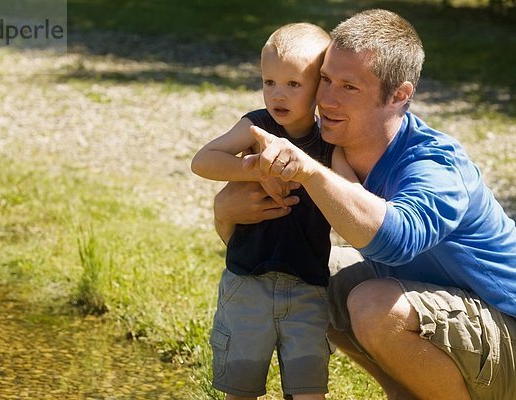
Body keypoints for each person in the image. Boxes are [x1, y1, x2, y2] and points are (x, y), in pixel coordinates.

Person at [213, 9, 516, 400]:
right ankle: (403, 393)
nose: (327, 99)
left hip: (506, 328)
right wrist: (226, 210)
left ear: (400, 95)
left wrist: (310, 172)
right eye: (324, 79)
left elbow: (394, 240)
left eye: (349, 87)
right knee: (318, 272)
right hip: (453, 316)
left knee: (375, 305)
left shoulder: (434, 165)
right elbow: (264, 235)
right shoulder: (330, 145)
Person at [191, 23, 357, 400]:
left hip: (307, 287)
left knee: (308, 388)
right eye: (269, 82)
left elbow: (353, 195)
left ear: (320, 86)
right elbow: (203, 161)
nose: (277, 94)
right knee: (241, 388)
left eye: (293, 84)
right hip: (248, 280)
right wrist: (251, 168)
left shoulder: (330, 144)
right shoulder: (257, 127)